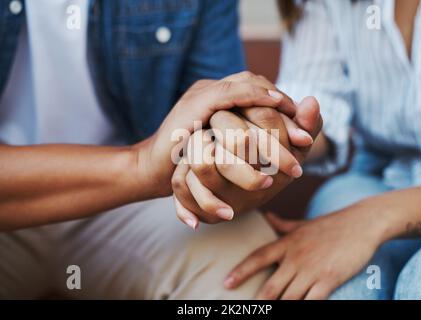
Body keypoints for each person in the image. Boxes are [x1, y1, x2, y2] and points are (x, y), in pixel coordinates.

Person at [0, 0, 322, 299]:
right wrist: (141, 165)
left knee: (245, 269)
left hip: (131, 206)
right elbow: (150, 164)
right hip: (22, 205)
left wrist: (231, 154)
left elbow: (217, 117)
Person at [221, 0, 421, 300]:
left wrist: (371, 219)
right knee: (340, 288)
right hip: (382, 175)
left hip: (392, 199)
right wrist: (271, 136)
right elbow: (316, 101)